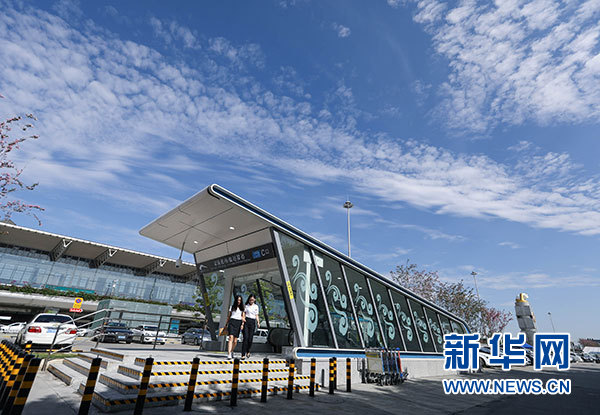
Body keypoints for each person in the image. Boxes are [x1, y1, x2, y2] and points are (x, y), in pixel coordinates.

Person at [225, 295, 245, 359]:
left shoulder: (242, 308)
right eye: (238, 300)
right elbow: (229, 316)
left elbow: (243, 317)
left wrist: (242, 324)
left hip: (238, 323)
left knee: (235, 341)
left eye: (240, 300)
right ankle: (229, 354)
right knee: (230, 337)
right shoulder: (232, 307)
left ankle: (232, 351)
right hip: (232, 322)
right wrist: (226, 324)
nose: (238, 301)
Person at [241, 294, 260, 359]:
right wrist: (242, 323)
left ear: (254, 300)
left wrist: (258, 322)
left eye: (252, 300)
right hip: (246, 321)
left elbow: (256, 315)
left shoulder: (256, 306)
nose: (251, 301)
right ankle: (243, 354)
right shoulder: (246, 306)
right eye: (250, 300)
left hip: (252, 322)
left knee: (250, 339)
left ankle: (248, 351)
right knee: (245, 338)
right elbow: (244, 313)